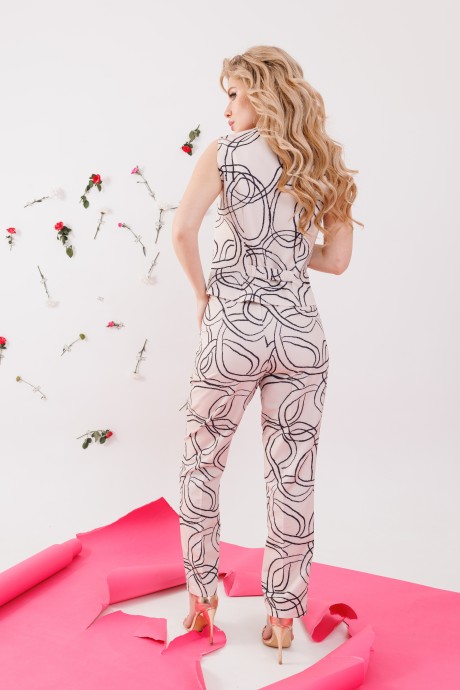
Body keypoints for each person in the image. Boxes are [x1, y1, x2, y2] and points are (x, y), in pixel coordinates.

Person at [172, 45, 360, 664]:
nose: (226, 108)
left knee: (203, 462)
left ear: (261, 91)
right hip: (300, 336)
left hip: (234, 331)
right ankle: (283, 615)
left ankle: (202, 598)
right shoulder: (323, 161)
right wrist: (287, 249)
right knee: (293, 474)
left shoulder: (225, 154)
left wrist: (203, 294)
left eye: (233, 94)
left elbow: (183, 231)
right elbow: (336, 260)